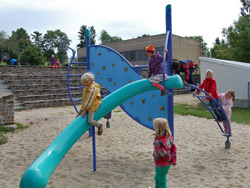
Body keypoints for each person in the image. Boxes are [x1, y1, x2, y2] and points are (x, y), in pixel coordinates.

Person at [153, 118, 177, 188]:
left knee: (162, 180)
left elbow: (163, 154)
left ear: (158, 128)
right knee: (157, 177)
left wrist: (169, 159)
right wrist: (173, 160)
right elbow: (174, 148)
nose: (153, 127)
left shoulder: (158, 141)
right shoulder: (169, 136)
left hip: (161, 164)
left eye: (154, 126)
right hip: (167, 164)